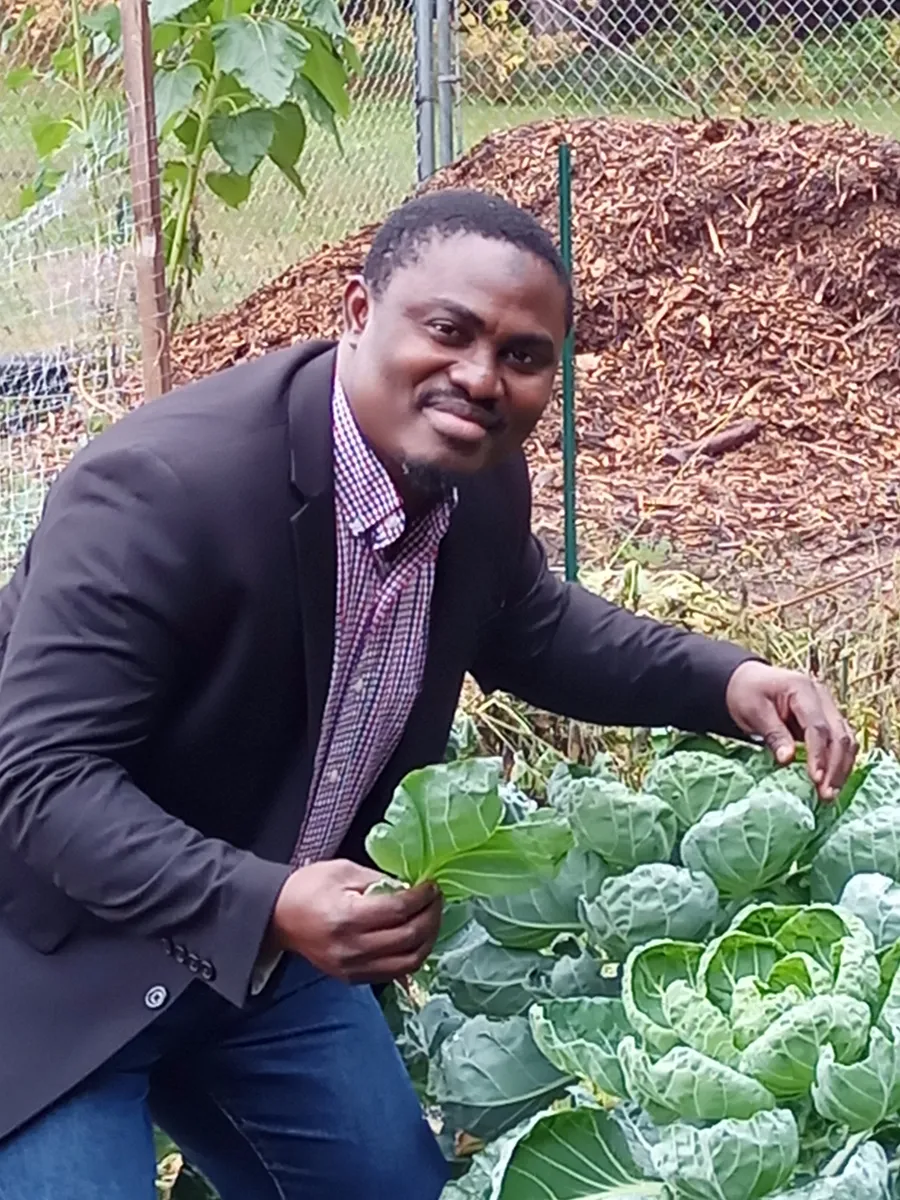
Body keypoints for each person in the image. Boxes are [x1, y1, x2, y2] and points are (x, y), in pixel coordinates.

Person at [0, 188, 855, 1199]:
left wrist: (732, 679)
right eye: (448, 331)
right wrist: (267, 900)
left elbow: (530, 621)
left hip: (269, 960)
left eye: (525, 355)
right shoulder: (163, 489)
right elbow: (40, 781)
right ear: (358, 313)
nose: (481, 377)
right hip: (52, 959)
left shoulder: (473, 479)